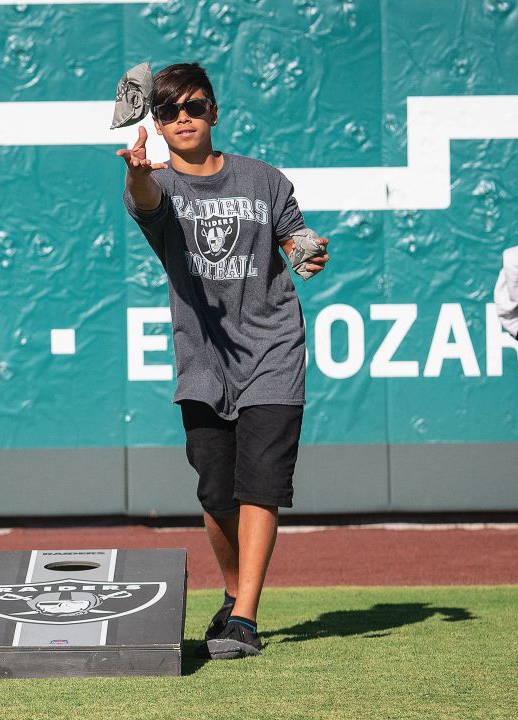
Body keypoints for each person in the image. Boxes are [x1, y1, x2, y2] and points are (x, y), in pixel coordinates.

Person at [119, 63, 329, 658]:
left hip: (274, 349)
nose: (182, 117)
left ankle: (245, 617)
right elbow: (146, 201)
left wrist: (309, 252)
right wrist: (136, 174)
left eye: (194, 106)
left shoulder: (265, 179)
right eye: (168, 111)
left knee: (260, 485)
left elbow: (296, 241)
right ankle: (234, 595)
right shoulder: (157, 183)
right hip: (204, 360)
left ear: (215, 111)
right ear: (156, 124)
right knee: (217, 493)